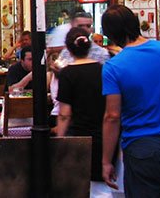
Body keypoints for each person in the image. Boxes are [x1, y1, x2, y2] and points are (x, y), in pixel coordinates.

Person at [100, 5, 160, 196]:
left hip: (141, 148)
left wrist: (107, 161)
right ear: (136, 24)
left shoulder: (113, 67)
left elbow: (112, 116)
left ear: (110, 33)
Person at [55, 27, 107, 196]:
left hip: (78, 135)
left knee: (78, 183)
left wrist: (59, 139)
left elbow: (64, 114)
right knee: (101, 185)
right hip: (103, 134)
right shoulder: (103, 70)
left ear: (68, 49)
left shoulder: (67, 73)